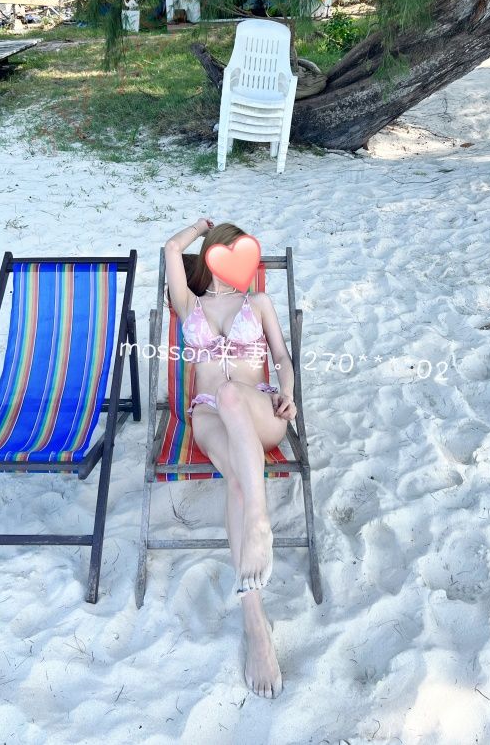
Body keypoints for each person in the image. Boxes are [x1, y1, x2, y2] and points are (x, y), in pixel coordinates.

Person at [164, 218, 297, 699]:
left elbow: (282, 358)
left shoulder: (257, 302)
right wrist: (199, 227)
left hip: (259, 409)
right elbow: (170, 248)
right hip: (209, 417)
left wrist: (288, 391)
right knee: (238, 476)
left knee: (232, 394)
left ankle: (258, 522)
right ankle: (254, 620)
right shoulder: (189, 304)